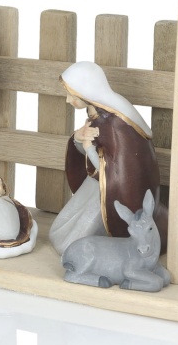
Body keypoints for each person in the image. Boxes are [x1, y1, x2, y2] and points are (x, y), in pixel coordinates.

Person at [48, 61, 167, 255]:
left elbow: (116, 170)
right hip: (98, 184)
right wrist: (78, 138)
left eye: (72, 95)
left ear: (86, 93)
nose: (68, 100)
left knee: (68, 244)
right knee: (58, 232)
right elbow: (95, 158)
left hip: (113, 192)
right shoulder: (95, 114)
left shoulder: (116, 124)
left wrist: (89, 148)